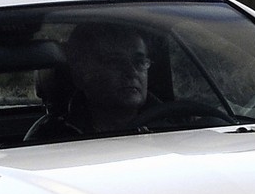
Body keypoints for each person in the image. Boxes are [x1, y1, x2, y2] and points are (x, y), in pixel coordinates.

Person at [25, 16, 159, 142]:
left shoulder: (172, 120)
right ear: (80, 75)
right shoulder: (51, 137)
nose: (132, 71)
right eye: (115, 62)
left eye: (140, 62)